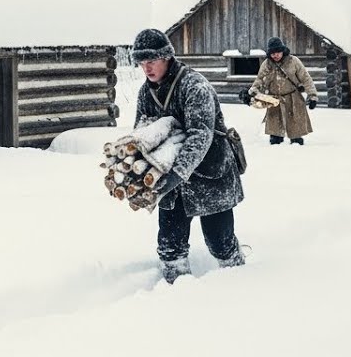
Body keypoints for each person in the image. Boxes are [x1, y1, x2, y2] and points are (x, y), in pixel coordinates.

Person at [131, 28, 244, 284]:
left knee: (220, 242)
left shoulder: (195, 86)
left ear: (167, 58)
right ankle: (175, 292)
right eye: (142, 62)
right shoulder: (144, 94)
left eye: (152, 61)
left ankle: (237, 283)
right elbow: (142, 134)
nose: (146, 68)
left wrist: (177, 174)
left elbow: (200, 136)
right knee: (170, 245)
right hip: (170, 176)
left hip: (210, 173)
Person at [242, 37, 317, 145]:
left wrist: (312, 96)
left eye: (277, 52)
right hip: (274, 100)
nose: (275, 55)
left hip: (293, 98)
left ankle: (298, 151)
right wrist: (251, 93)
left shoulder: (293, 61)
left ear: (282, 51)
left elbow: (306, 78)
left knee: (296, 130)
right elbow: (259, 81)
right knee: (275, 131)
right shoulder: (267, 64)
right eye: (272, 53)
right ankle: (275, 151)